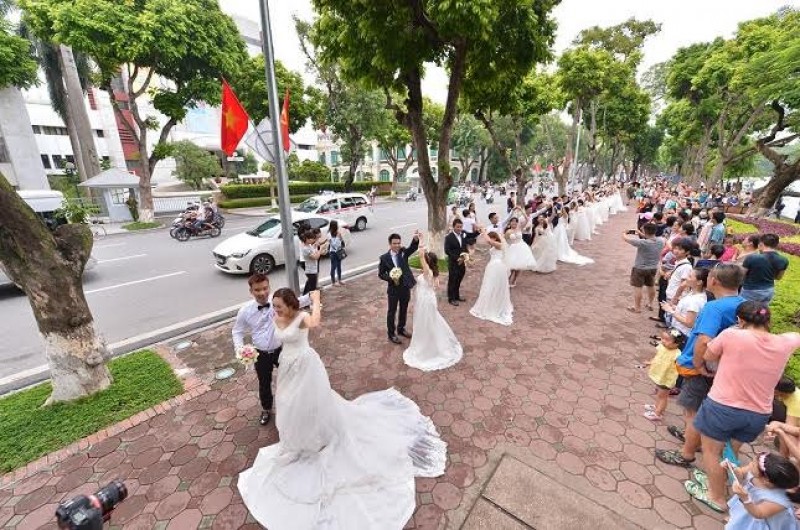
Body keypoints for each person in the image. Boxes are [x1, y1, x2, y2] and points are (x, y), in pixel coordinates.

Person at [238, 289, 447, 529]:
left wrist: (316, 300)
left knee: (311, 403)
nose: (276, 310)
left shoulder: (302, 317)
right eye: (274, 306)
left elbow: (315, 321)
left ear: (291, 305)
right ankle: (296, 437)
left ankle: (318, 434)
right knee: (288, 403)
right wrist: (251, 350)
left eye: (279, 306)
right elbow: (273, 338)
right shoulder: (275, 318)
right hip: (287, 367)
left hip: (306, 366)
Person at [685, 302, 800, 512]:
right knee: (731, 449)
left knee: (711, 451)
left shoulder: (732, 336)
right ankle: (724, 480)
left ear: (740, 320)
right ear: (769, 321)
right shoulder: (787, 341)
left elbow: (708, 355)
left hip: (723, 406)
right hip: (758, 414)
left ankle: (716, 496)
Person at [655, 263, 745, 469]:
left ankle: (686, 453)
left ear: (714, 281)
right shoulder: (743, 303)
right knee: (701, 407)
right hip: (722, 368)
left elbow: (704, 340)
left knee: (692, 411)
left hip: (703, 368)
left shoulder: (715, 307)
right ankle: (691, 437)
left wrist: (697, 364)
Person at [231, 274, 311, 426]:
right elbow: (237, 331)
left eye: (265, 288)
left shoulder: (277, 302)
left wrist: (311, 296)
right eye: (257, 290)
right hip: (260, 354)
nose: (262, 293)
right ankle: (266, 409)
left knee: (291, 376)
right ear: (251, 291)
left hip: (282, 349)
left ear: (269, 287)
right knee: (264, 383)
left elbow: (295, 303)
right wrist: (240, 348)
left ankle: (295, 405)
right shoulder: (245, 311)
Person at [402, 239, 463, 371]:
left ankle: (427, 347)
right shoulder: (434, 273)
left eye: (426, 260)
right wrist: (421, 242)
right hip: (429, 299)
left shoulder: (427, 272)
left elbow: (421, 257)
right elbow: (434, 285)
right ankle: (432, 341)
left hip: (425, 300)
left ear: (428, 262)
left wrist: (421, 249)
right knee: (431, 321)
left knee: (424, 321)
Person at [378, 232, 420, 344]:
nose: (397, 245)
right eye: (394, 243)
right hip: (393, 289)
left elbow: (413, 248)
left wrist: (415, 239)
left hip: (405, 287)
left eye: (398, 243)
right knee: (392, 311)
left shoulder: (403, 252)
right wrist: (391, 278)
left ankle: (401, 329)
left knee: (404, 308)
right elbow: (381, 274)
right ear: (390, 244)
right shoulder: (384, 258)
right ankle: (391, 334)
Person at [470, 230, 513, 325]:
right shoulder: (493, 246)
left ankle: (494, 306)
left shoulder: (499, 244)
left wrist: (483, 230)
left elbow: (489, 241)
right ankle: (490, 304)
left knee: (494, 286)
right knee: (489, 285)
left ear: (494, 237)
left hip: (497, 267)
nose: (488, 240)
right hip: (492, 266)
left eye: (491, 237)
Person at [643, 328, 686, 421]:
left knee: (663, 396)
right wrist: (650, 362)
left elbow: (680, 366)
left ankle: (658, 413)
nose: (663, 341)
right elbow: (658, 357)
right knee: (659, 394)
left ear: (676, 343)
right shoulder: (662, 347)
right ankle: (656, 406)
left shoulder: (677, 354)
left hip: (667, 378)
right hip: (660, 375)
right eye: (663, 338)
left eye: (667, 340)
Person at [623, 223, 665, 313]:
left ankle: (637, 307)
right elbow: (650, 238)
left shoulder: (642, 242)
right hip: (653, 267)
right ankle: (650, 304)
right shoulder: (661, 241)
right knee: (651, 285)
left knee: (638, 287)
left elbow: (626, 239)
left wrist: (624, 233)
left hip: (640, 268)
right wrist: (641, 233)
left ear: (645, 231)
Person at [741, 233, 789, 305]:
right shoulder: (784, 260)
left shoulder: (752, 258)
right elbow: (778, 277)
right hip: (768, 291)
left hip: (750, 290)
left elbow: (741, 274)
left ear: (761, 244)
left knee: (744, 311)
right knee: (761, 312)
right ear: (776, 245)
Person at [661, 267, 709, 335]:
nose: (686, 278)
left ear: (699, 282)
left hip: (682, 335)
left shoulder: (696, 300)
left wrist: (671, 311)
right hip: (679, 332)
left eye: (690, 276)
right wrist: (675, 307)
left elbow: (689, 323)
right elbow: (687, 312)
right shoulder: (693, 294)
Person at [504, 214, 537, 286]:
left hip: (521, 248)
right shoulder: (508, 231)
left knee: (519, 266)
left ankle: (514, 280)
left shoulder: (519, 228)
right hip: (513, 249)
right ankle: (508, 279)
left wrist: (521, 209)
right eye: (512, 221)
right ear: (509, 223)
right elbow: (505, 241)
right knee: (512, 267)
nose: (514, 223)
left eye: (515, 221)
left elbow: (527, 219)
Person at [444, 219, 468, 306]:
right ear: (453, 226)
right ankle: (451, 298)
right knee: (452, 281)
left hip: (462, 262)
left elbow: (464, 247)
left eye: (461, 227)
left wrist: (465, 255)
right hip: (454, 263)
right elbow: (447, 251)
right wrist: (457, 258)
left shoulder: (463, 235)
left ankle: (457, 296)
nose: (459, 228)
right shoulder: (448, 237)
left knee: (459, 279)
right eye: (457, 227)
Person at [327, 220, 345, 287]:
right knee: (333, 267)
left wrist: (340, 237)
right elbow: (333, 244)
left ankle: (339, 280)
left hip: (339, 251)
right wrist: (338, 237)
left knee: (339, 267)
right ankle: (333, 282)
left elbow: (341, 242)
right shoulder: (329, 234)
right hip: (333, 252)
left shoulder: (338, 233)